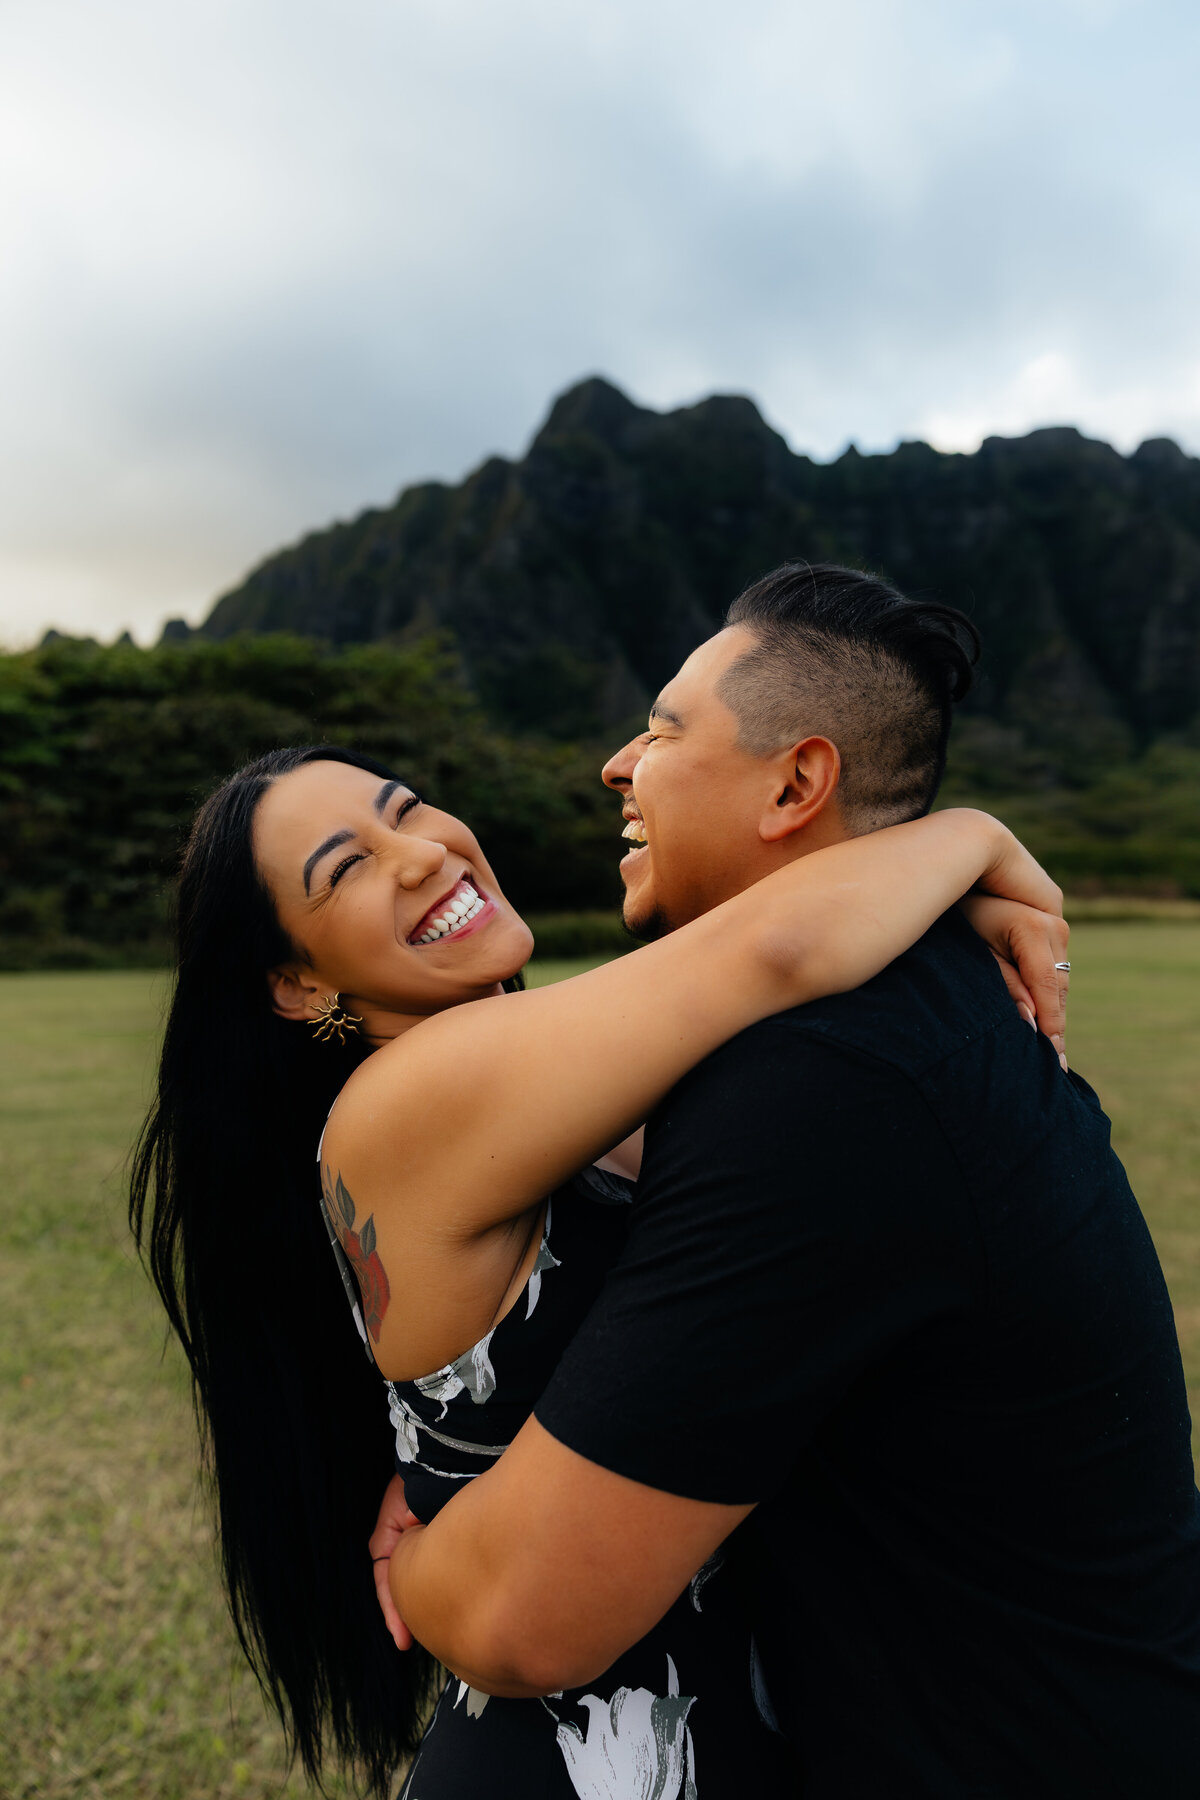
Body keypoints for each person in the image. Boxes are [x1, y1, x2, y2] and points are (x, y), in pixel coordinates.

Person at [129, 580, 1065, 1798]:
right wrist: (969, 837)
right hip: (578, 1763)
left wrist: (441, 1477)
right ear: (298, 988)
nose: (423, 852)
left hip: (720, 1724)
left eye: (406, 809)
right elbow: (782, 944)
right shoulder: (404, 1106)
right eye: (347, 868)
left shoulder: (554, 1072)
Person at [374, 564, 1200, 1799]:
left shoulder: (834, 1076)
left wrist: (432, 1548)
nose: (617, 764)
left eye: (660, 731)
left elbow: (519, 1621)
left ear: (797, 783)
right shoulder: (882, 1002)